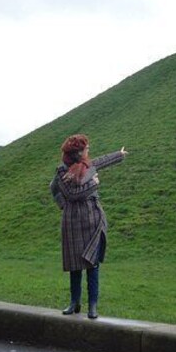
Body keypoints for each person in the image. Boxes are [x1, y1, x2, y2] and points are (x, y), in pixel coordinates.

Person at [50, 134, 127, 320]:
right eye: (86, 149)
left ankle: (93, 305)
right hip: (72, 221)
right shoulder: (62, 171)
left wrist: (119, 154)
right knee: (75, 266)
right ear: (78, 152)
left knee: (93, 265)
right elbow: (70, 193)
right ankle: (74, 302)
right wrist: (93, 183)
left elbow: (100, 161)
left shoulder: (85, 165)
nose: (88, 151)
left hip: (93, 218)